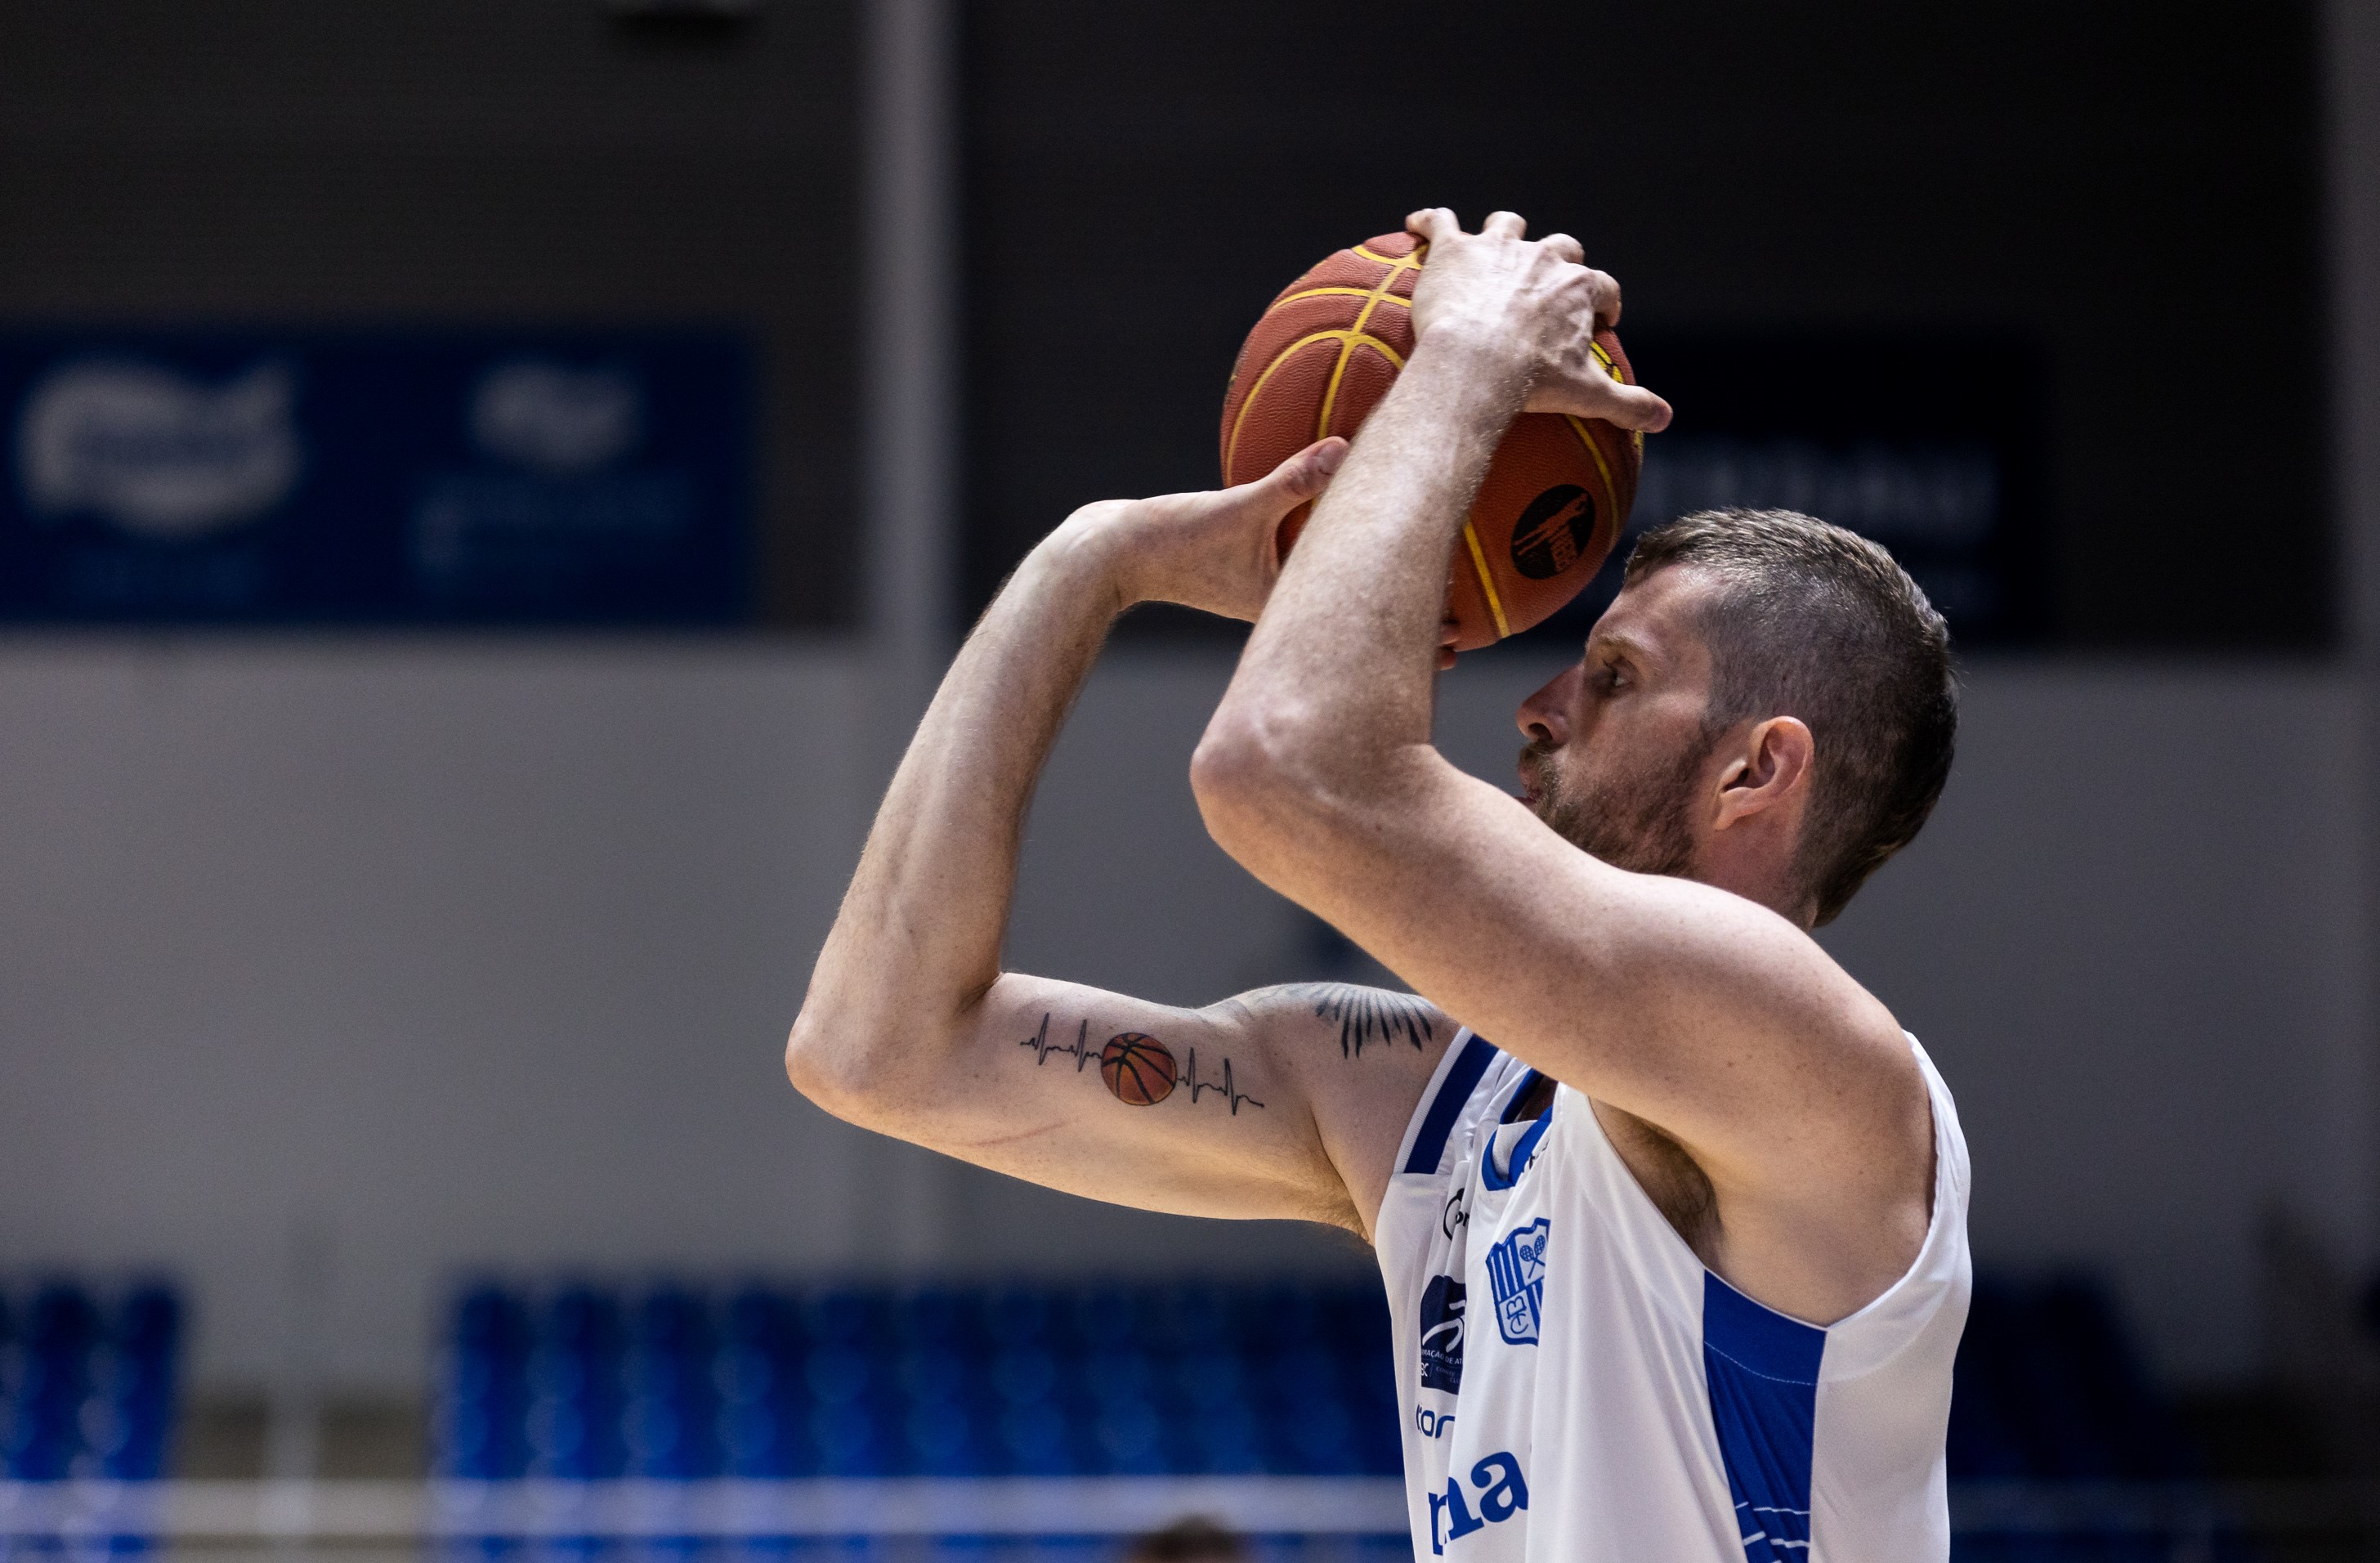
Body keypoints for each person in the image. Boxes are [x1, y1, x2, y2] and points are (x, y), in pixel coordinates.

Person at [787, 208, 1969, 1563]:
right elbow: (877, 1049)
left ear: (1758, 773)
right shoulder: (1435, 1102)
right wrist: (1089, 562)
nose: (1537, 703)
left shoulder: (1810, 1057)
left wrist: (1464, 361)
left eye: (1616, 676)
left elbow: (1282, 769)